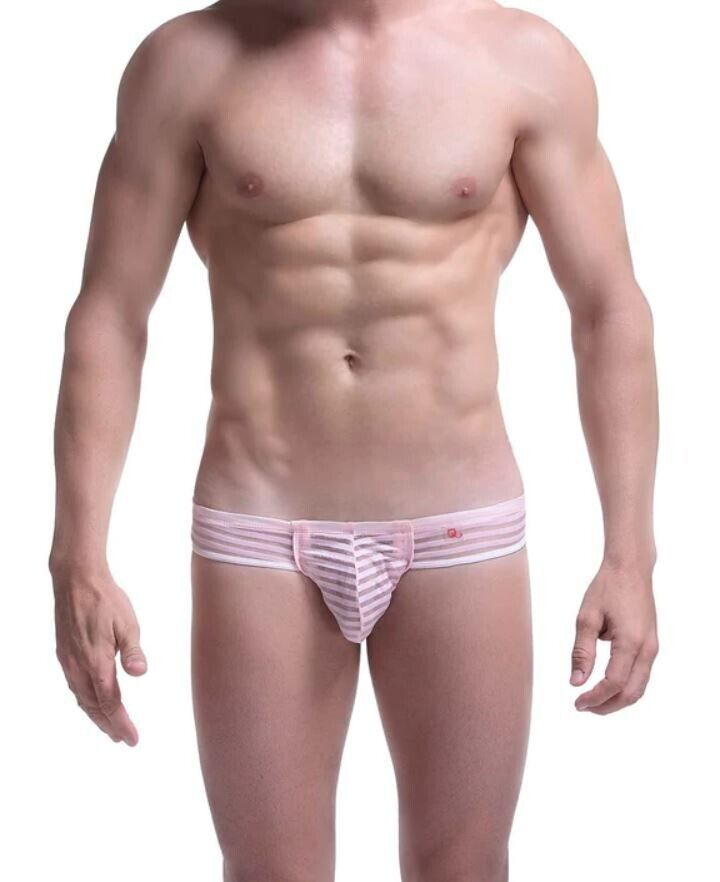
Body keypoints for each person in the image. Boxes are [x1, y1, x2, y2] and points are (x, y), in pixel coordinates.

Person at [49, 1, 659, 879]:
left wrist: (630, 558)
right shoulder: (187, 63)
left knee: (463, 867)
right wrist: (78, 556)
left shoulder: (525, 60)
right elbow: (109, 315)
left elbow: (608, 311)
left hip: (458, 523)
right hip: (261, 523)